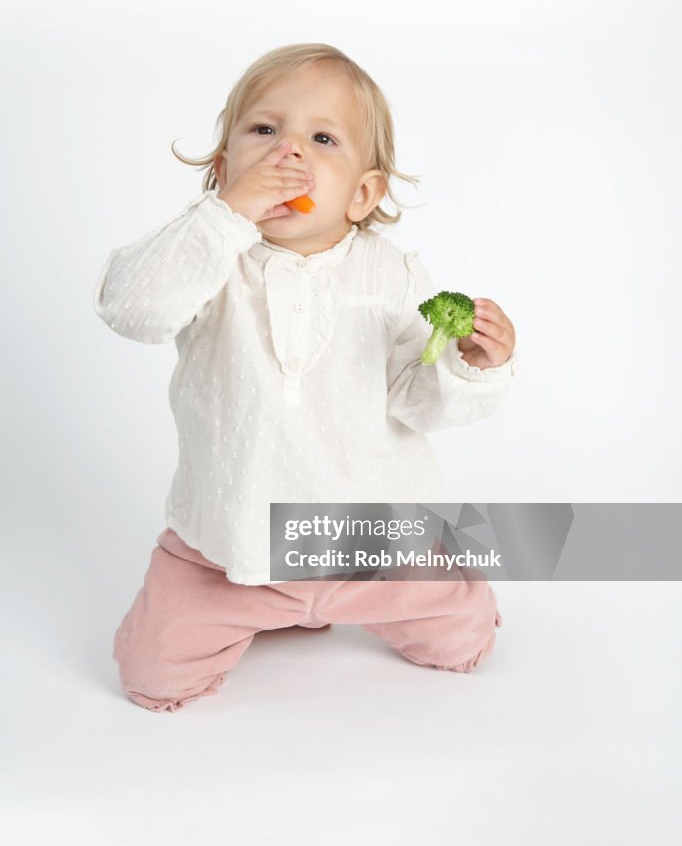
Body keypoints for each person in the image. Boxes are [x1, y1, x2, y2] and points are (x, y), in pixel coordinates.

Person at [94, 43, 518, 713]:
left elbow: (418, 398)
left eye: (322, 138)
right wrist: (224, 217)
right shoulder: (206, 256)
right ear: (223, 166)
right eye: (264, 130)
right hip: (226, 547)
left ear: (363, 194)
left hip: (374, 544)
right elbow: (131, 309)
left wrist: (473, 365)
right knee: (152, 678)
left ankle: (439, 582)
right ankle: (259, 609)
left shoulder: (393, 274)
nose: (287, 153)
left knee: (464, 644)